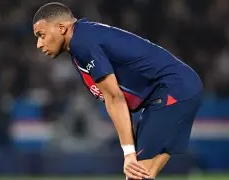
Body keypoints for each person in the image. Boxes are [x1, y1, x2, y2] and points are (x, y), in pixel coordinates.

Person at [32, 2, 203, 179]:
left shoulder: (82, 43)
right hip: (173, 89)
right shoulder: (83, 40)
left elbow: (115, 97)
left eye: (41, 35)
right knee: (141, 175)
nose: (38, 44)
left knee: (137, 174)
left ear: (62, 28)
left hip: (172, 89)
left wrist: (128, 153)